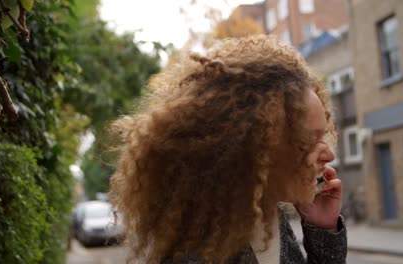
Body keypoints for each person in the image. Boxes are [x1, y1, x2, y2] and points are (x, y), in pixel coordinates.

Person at [110, 35, 347, 264]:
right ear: (254, 149)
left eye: (323, 136)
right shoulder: (199, 251)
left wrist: (322, 229)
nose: (329, 155)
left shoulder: (266, 217)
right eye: (307, 141)